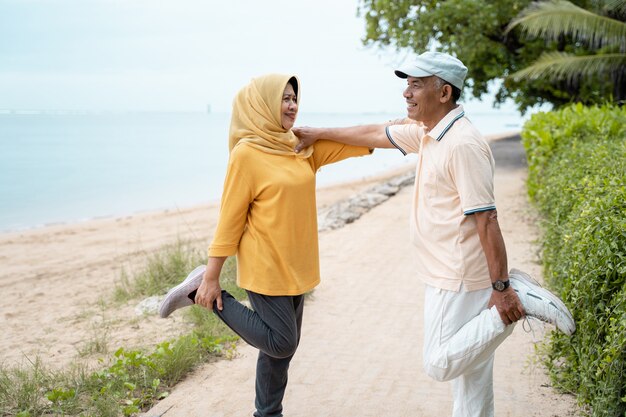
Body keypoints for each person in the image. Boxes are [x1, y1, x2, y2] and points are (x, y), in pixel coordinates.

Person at [292, 51, 575, 417]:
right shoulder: (428, 133)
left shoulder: (463, 143)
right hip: (451, 272)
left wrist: (503, 289)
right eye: (406, 84)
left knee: (439, 362)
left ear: (444, 93)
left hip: (456, 276)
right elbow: (375, 132)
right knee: (473, 382)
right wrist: (319, 132)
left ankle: (519, 299)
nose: (406, 93)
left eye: (416, 84)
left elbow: (487, 219)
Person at [158, 73, 372, 417]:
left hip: (297, 266)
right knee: (282, 341)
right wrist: (214, 276)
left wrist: (408, 128)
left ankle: (268, 413)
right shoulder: (247, 154)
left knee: (280, 353)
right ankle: (207, 295)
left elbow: (362, 142)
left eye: (295, 99)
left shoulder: (300, 147)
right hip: (265, 266)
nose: (292, 105)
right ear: (262, 105)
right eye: (284, 99)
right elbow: (230, 220)